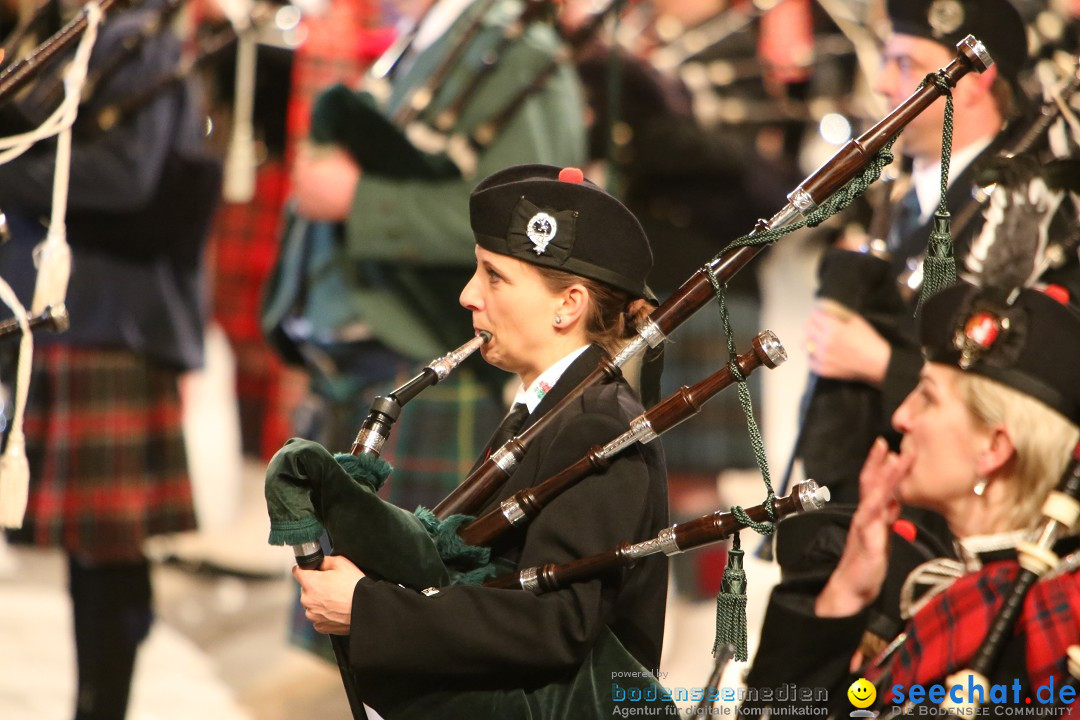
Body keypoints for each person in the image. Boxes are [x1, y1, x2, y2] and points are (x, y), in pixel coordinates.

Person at [290, 164, 672, 717]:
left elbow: (557, 624)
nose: (469, 295)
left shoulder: (598, 424)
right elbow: (490, 578)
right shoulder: (547, 410)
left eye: (494, 277)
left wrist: (369, 610)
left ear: (569, 304)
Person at [0, 0, 221, 717]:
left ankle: (105, 702)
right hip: (82, 313)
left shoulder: (136, 39)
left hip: (112, 322)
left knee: (106, 547)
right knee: (93, 547)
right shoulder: (94, 34)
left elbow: (125, 178)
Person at [744, 280, 1080, 715]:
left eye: (928, 398)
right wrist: (846, 590)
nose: (901, 416)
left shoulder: (1044, 630)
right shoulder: (928, 588)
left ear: (993, 450)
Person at [790, 0, 1069, 503]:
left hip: (961, 502)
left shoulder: (1027, 206)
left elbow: (1015, 375)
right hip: (858, 494)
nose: (880, 84)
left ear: (976, 79)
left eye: (905, 65)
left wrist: (879, 364)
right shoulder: (888, 197)